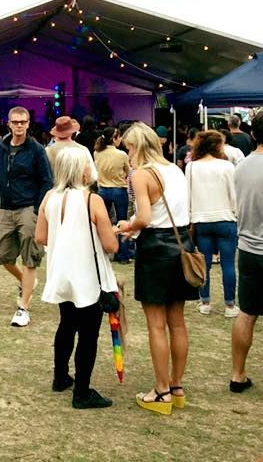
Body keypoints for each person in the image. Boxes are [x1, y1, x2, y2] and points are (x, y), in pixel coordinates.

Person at [117, 122, 197, 414]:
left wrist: (127, 226)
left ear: (137, 147)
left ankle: (161, 390)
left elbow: (145, 217)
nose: (127, 155)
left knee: (156, 324)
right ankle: (176, 386)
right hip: (182, 246)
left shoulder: (142, 174)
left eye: (128, 148)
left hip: (156, 249)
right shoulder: (176, 170)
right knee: (178, 321)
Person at [36, 146, 118, 409]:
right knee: (88, 333)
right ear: (81, 169)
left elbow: (40, 237)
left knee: (67, 324)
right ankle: (82, 391)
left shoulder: (50, 197)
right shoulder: (91, 200)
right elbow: (110, 245)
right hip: (87, 275)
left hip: (61, 271)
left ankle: (60, 376)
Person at [229, 110, 263, 404]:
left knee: (247, 311)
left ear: (253, 134)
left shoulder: (240, 167)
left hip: (247, 246)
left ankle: (237, 375)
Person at [0, 106, 54, 327]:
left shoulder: (36, 150)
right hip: (6, 207)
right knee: (4, 256)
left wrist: (38, 209)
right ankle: (28, 283)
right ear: (8, 123)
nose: (19, 125)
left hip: (28, 207)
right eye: (15, 122)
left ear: (28, 124)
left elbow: (47, 181)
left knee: (29, 257)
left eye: (23, 122)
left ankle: (23, 307)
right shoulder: (1, 148)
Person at [185, 130, 238, 317]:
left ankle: (205, 301)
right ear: (217, 146)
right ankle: (230, 305)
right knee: (228, 263)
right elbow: (234, 195)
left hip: (201, 220)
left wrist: (190, 217)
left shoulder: (191, 167)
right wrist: (235, 213)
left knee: (204, 263)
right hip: (226, 219)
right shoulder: (227, 166)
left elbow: (188, 195)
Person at [94, 127, 133, 262]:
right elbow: (129, 172)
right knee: (122, 221)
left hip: (103, 190)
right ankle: (123, 255)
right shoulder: (122, 155)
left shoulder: (97, 153)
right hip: (119, 189)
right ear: (114, 138)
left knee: (102, 222)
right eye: (119, 136)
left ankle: (103, 251)